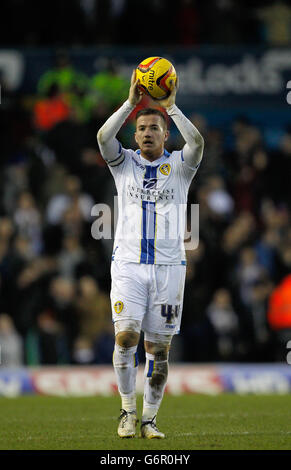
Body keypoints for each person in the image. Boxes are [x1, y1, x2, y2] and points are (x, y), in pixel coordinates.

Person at [97, 71, 204, 439]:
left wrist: (171, 108)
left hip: (169, 270)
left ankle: (150, 420)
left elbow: (198, 143)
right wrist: (130, 102)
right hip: (128, 266)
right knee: (125, 338)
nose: (145, 133)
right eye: (140, 128)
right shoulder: (123, 162)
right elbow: (102, 137)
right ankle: (127, 411)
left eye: (153, 128)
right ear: (135, 133)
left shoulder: (180, 167)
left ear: (165, 134)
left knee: (159, 351)